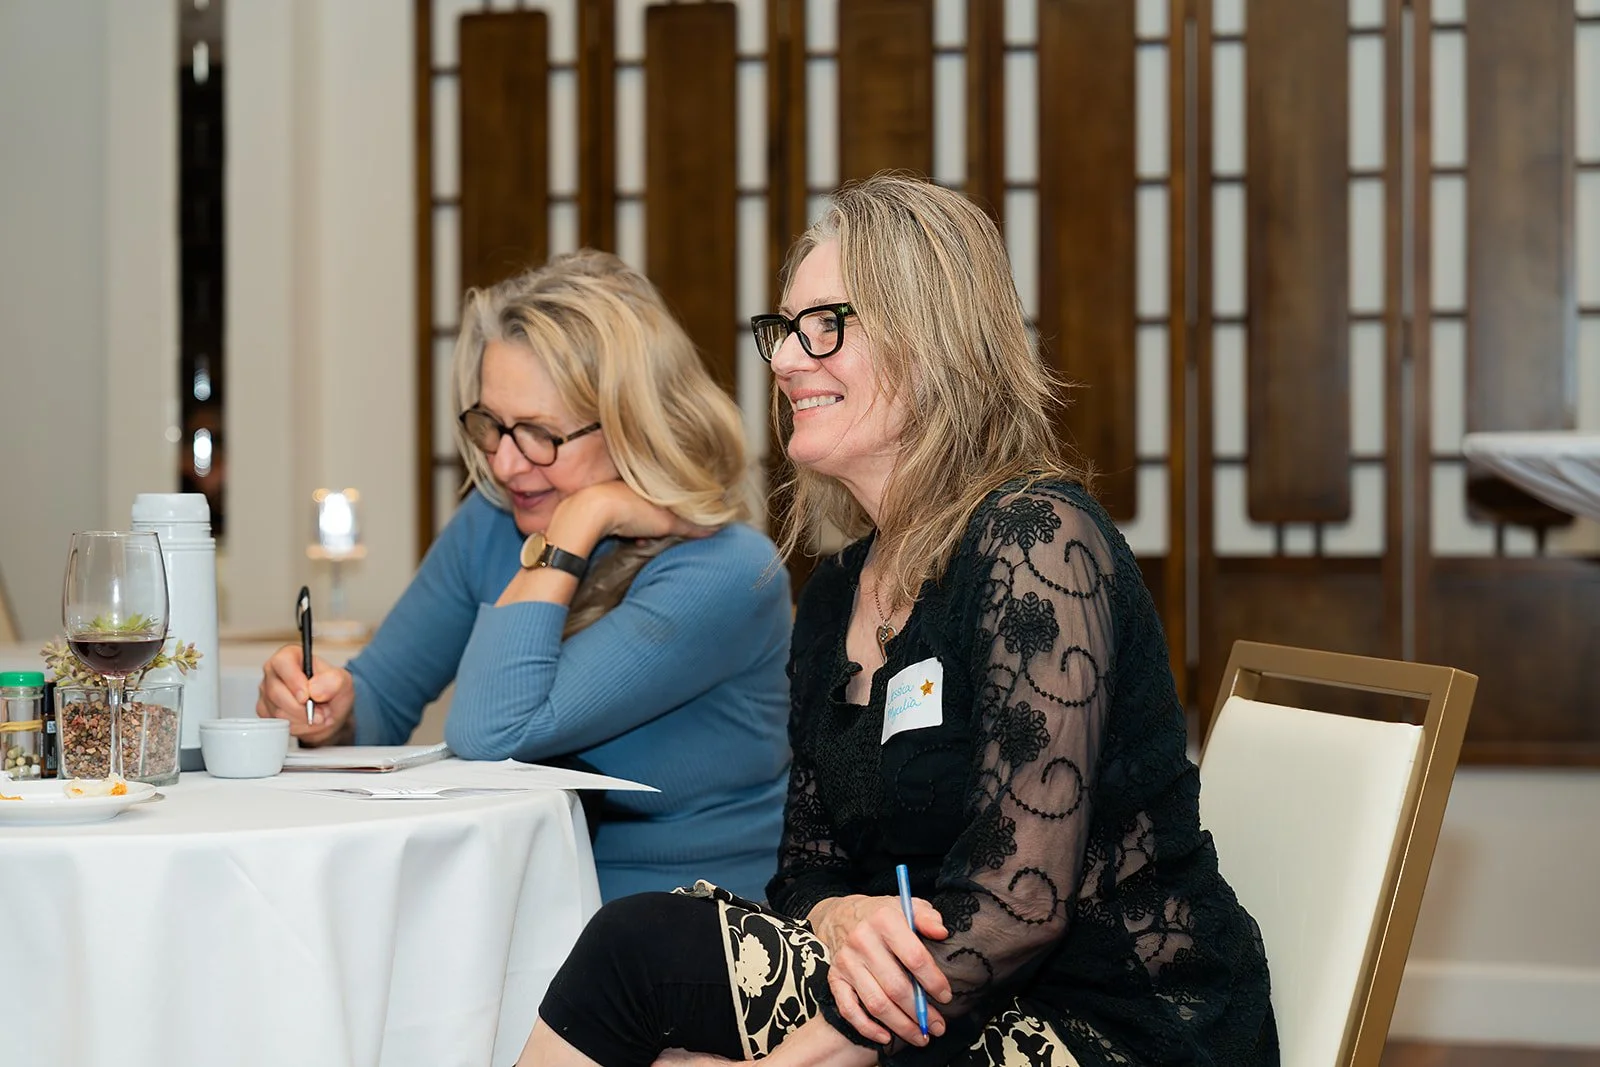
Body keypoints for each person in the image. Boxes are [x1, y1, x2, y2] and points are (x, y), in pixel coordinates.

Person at [517, 176, 1277, 1067]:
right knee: (641, 951)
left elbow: (1020, 901)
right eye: (784, 330)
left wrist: (806, 1055)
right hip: (937, 989)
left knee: (648, 973)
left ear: (933, 341)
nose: (787, 360)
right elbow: (807, 867)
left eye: (826, 326)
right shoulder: (837, 592)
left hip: (1111, 1022)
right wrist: (839, 914)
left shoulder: (1037, 541)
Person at [255, 250, 793, 903]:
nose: (507, 464)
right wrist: (326, 711)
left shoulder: (727, 569)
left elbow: (491, 730)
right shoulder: (492, 522)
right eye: (492, 425)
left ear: (633, 423)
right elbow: (383, 698)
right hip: (525, 901)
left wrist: (580, 521)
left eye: (540, 433)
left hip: (690, 923)